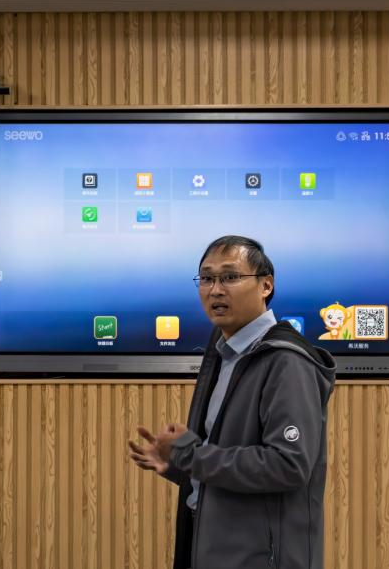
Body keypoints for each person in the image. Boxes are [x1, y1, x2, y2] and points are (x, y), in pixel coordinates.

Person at [128, 235, 335, 569]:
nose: (215, 290)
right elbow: (226, 458)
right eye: (206, 279)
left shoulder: (286, 361)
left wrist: (193, 456)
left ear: (266, 285)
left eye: (230, 277)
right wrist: (181, 467)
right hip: (218, 549)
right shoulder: (226, 352)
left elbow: (288, 465)